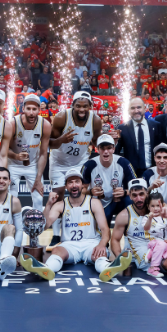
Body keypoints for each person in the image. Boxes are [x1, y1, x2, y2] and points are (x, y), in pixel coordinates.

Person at [18, 170, 131, 282]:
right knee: (56, 251)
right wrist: (48, 204)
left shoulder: (93, 202)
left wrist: (102, 244)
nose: (74, 185)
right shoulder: (60, 205)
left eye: (77, 181)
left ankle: (107, 269)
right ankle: (47, 269)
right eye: (70, 182)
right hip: (69, 245)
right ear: (66, 186)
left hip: (91, 243)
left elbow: (105, 230)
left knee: (100, 255)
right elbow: (45, 226)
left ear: (82, 185)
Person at [47, 91, 102, 245]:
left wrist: (109, 140)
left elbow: (97, 144)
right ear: (73, 106)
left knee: (83, 195)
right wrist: (61, 140)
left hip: (80, 162)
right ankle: (57, 235)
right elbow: (50, 143)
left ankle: (86, 230)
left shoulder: (96, 121)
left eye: (85, 106)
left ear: (91, 106)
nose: (81, 109)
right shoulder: (61, 117)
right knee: (57, 196)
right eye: (78, 106)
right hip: (59, 162)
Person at [0, 94, 51, 212]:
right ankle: (10, 226)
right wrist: (16, 156)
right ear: (23, 109)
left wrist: (38, 178)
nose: (31, 112)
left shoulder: (45, 125)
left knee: (38, 199)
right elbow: (3, 149)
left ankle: (36, 228)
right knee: (11, 198)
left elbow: (44, 154)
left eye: (34, 109)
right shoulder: (12, 123)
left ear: (39, 109)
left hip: (32, 164)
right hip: (13, 163)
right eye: (28, 109)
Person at [80, 135, 136, 222]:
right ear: (97, 149)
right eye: (102, 148)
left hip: (116, 201)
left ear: (113, 149)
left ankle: (129, 231)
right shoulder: (89, 164)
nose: (106, 151)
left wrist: (125, 192)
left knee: (130, 200)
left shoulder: (123, 162)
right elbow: (80, 191)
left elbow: (136, 188)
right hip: (96, 201)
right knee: (102, 227)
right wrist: (90, 192)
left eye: (109, 148)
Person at [115, 97, 162, 177]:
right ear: (128, 111)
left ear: (144, 108)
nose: (136, 111)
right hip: (131, 173)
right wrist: (114, 141)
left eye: (139, 107)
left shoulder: (156, 126)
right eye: (132, 108)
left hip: (154, 172)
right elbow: (115, 152)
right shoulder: (122, 128)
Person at [143, 192, 167, 277]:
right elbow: (146, 228)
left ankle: (158, 254)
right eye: (152, 206)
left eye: (157, 205)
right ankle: (153, 268)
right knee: (161, 244)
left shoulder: (166, 218)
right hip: (153, 243)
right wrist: (150, 218)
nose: (155, 208)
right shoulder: (146, 218)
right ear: (148, 206)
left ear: (162, 206)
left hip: (165, 245)